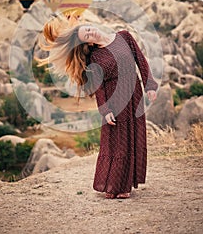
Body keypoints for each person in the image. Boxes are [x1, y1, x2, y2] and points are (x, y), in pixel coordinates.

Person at [41, 15, 158, 199]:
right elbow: (99, 86)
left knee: (131, 137)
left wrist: (149, 85)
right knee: (117, 142)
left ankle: (125, 186)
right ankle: (112, 186)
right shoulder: (94, 57)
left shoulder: (124, 37)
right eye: (86, 35)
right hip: (113, 97)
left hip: (134, 93)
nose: (90, 32)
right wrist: (105, 110)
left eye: (87, 29)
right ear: (88, 43)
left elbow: (141, 62)